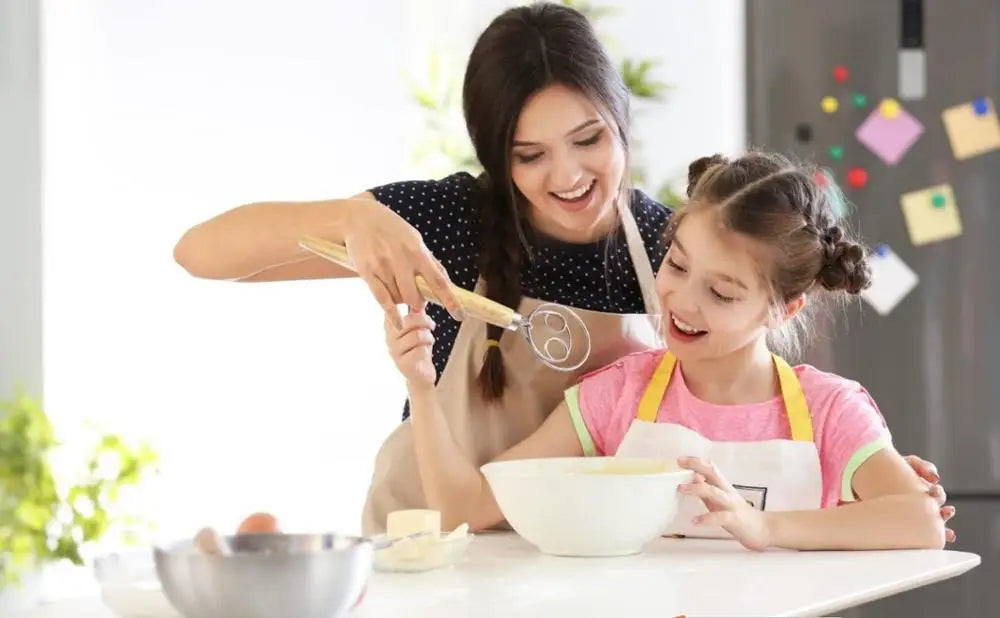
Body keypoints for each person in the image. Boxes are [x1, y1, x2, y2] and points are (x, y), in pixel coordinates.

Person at [173, 3, 949, 537]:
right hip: (433, 548)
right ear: (494, 156)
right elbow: (202, 254)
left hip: (576, 567)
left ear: (621, 120)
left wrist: (853, 475)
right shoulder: (449, 223)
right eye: (530, 154)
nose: (569, 175)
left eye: (589, 139)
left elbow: (729, 392)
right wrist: (348, 217)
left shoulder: (662, 244)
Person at [385, 151, 956, 551]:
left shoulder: (830, 411)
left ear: (784, 309)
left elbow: (919, 520)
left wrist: (766, 527)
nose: (682, 300)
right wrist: (420, 384)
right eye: (678, 264)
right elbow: (466, 510)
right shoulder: (618, 396)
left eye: (722, 292)